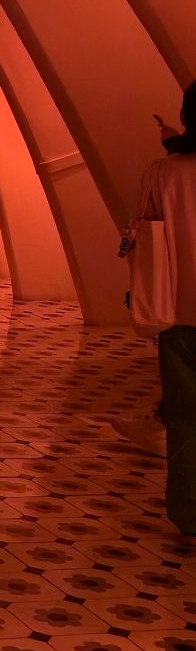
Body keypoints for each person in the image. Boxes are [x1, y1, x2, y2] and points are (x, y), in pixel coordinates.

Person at [122, 86, 196, 529]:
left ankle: (189, 512)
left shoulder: (161, 173)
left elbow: (145, 234)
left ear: (186, 117)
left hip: (179, 311)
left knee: (185, 417)